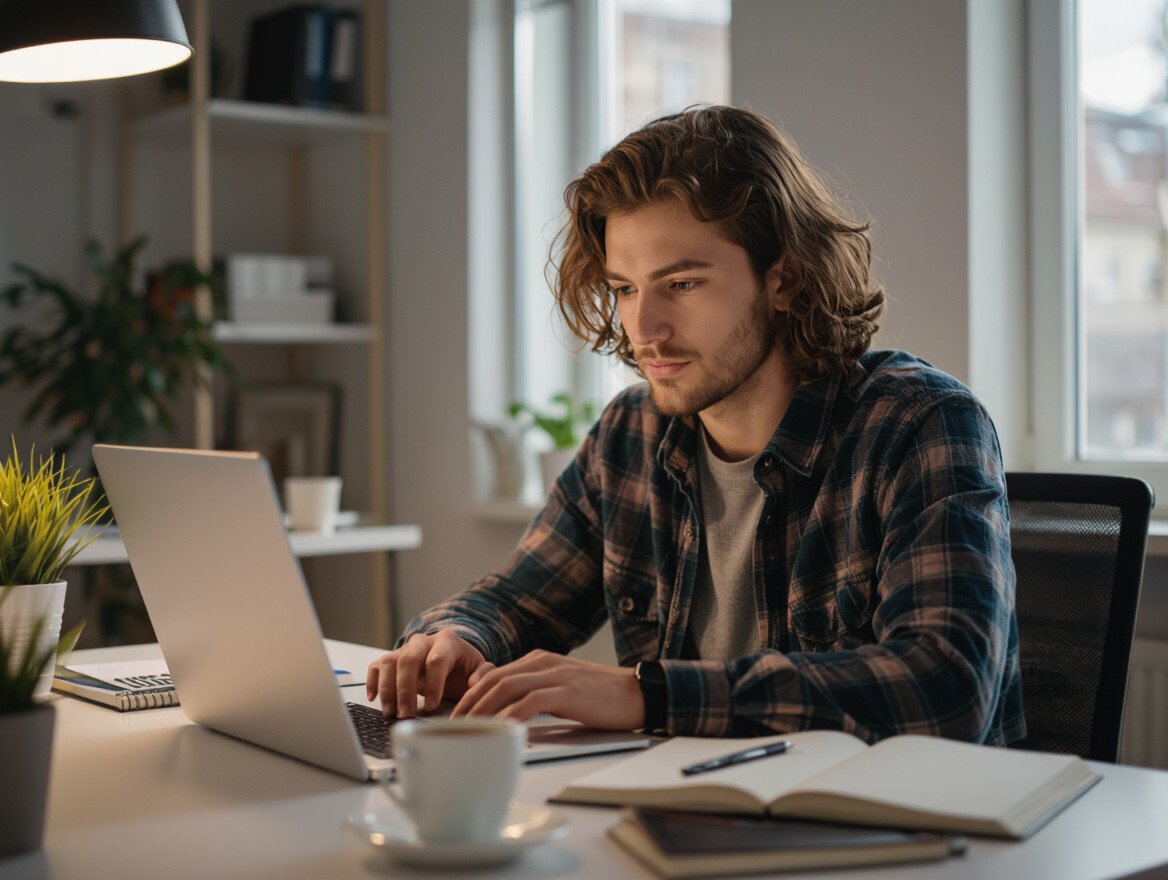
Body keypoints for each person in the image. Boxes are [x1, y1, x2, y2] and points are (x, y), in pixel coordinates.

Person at [367, 105, 1025, 745]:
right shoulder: (631, 435)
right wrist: (451, 639)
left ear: (785, 279)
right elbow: (517, 598)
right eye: (625, 288)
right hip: (688, 817)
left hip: (903, 841)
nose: (644, 329)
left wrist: (646, 694)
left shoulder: (919, 424)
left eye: (681, 284)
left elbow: (947, 688)